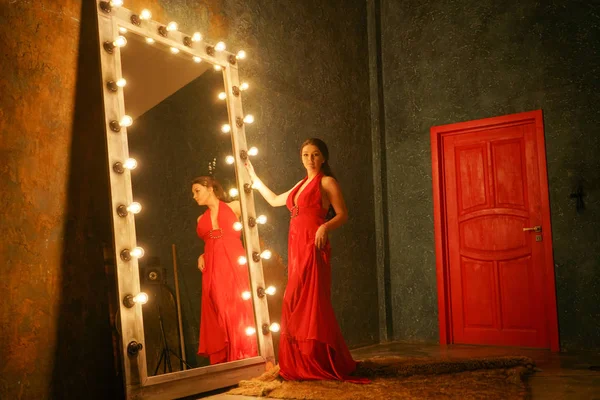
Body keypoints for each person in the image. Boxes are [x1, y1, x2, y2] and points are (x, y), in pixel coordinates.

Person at [245, 138, 367, 382]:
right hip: (296, 247)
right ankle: (301, 359)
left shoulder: (326, 182)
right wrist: (255, 179)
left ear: (323, 158)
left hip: (314, 245)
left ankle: (318, 359)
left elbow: (343, 214)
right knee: (294, 299)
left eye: (315, 154)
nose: (310, 159)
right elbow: (274, 200)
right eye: (305, 155)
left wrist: (325, 227)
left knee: (312, 302)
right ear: (301, 158)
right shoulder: (300, 185)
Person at [192, 176, 258, 364]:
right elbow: (210, 242)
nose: (194, 196)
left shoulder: (235, 206)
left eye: (197, 191)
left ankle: (247, 355)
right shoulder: (200, 218)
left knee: (239, 306)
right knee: (220, 309)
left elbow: (253, 228)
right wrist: (202, 255)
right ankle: (228, 360)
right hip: (213, 267)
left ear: (210, 188)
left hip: (234, 260)